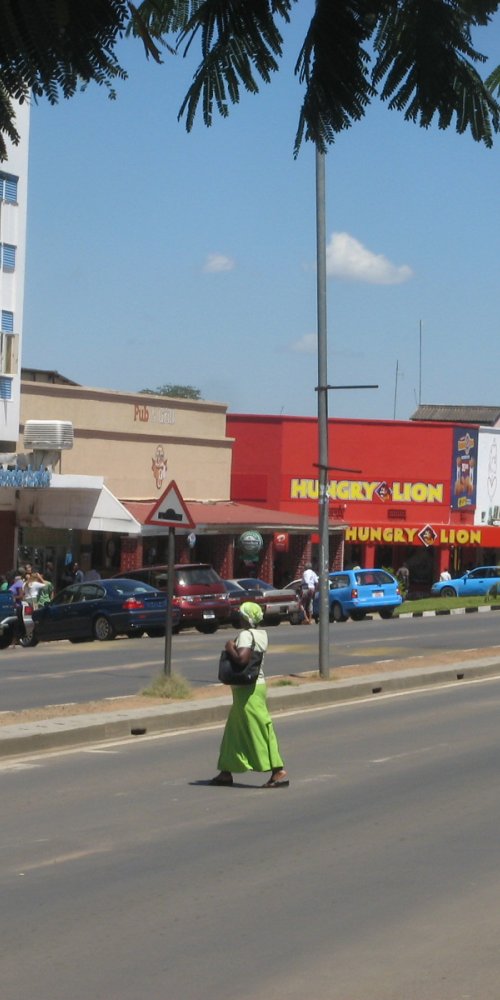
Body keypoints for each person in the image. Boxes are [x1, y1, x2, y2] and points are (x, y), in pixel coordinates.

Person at [211, 601, 289, 788]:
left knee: (259, 727)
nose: (237, 616)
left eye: (240, 614)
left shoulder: (246, 635)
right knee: (234, 731)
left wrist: (230, 645)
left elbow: (241, 659)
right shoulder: (261, 634)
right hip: (251, 689)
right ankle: (226, 772)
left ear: (245, 618)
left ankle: (277, 769)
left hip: (248, 691)